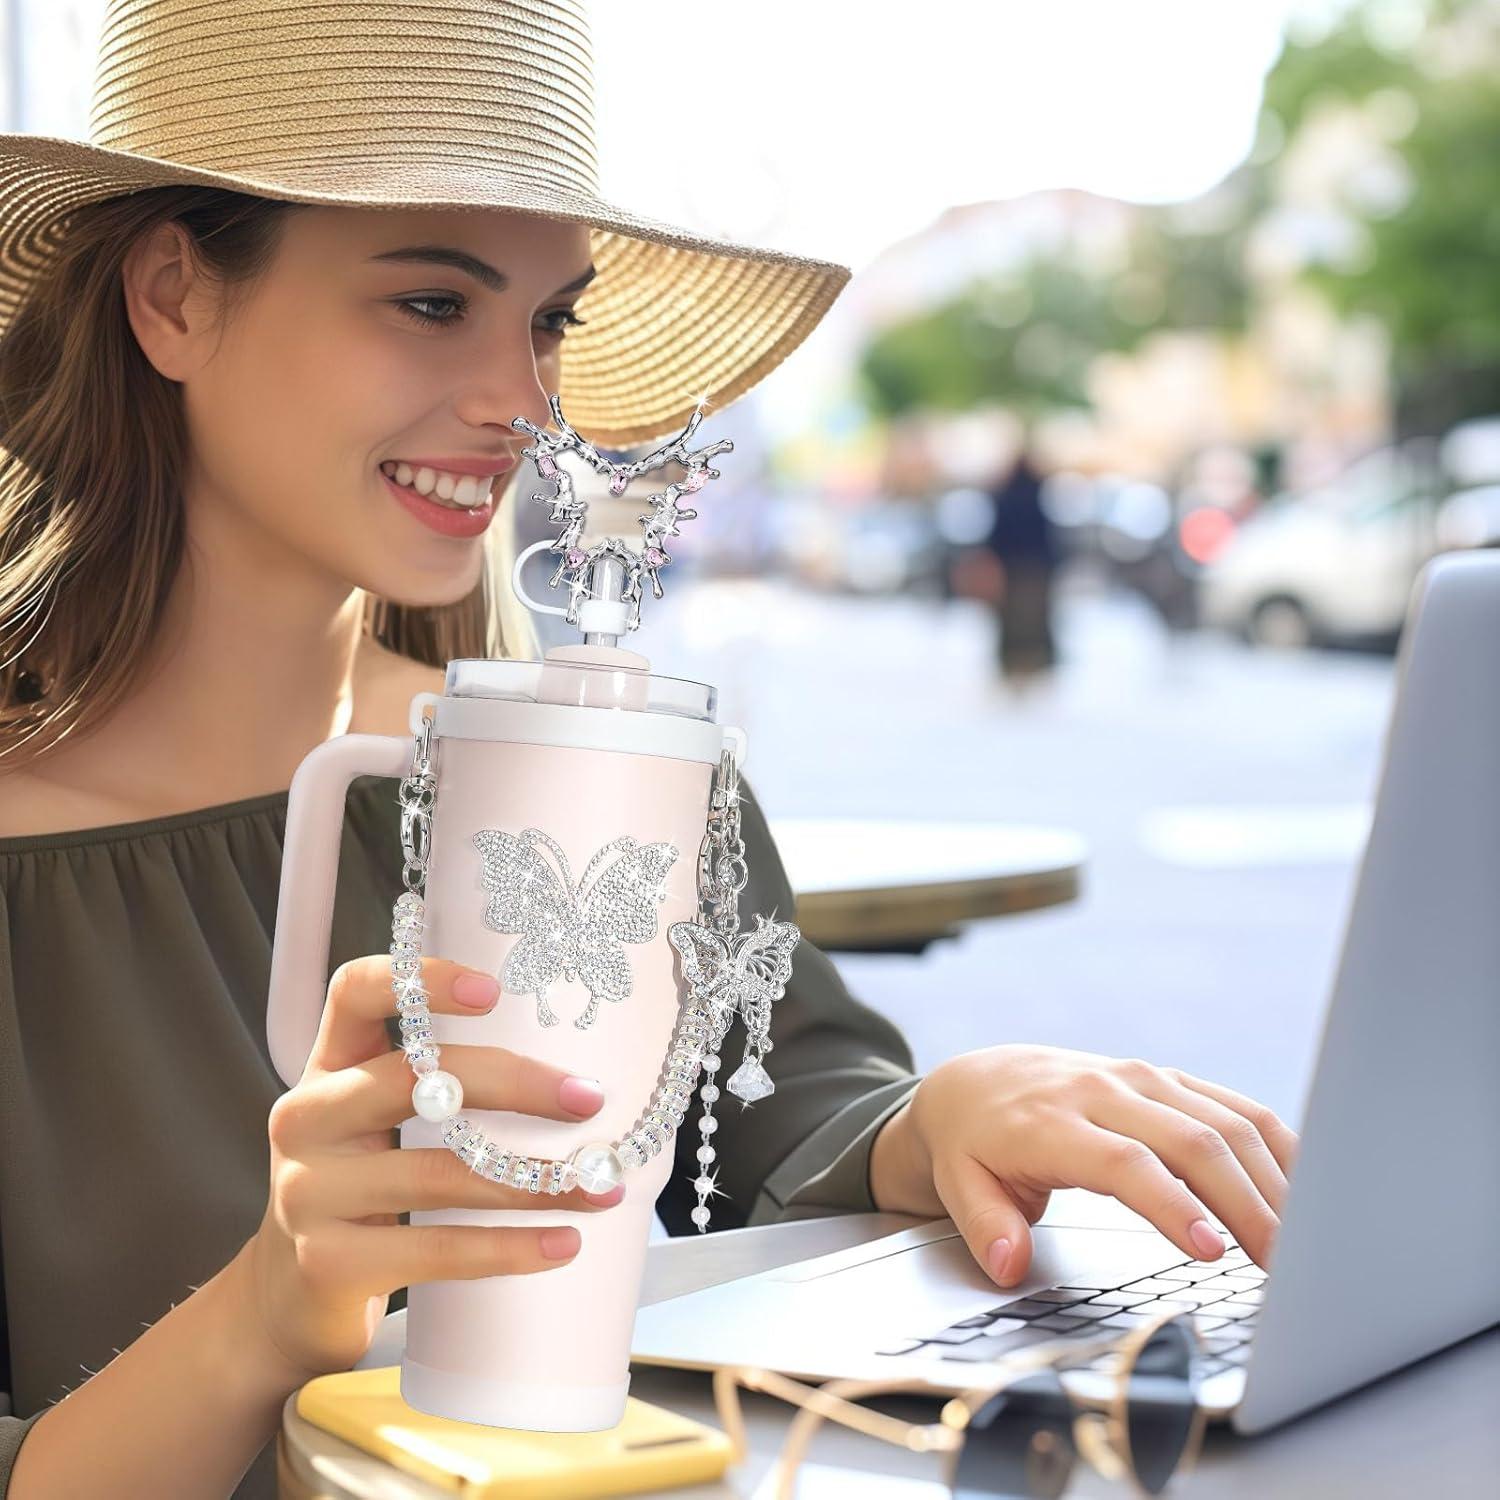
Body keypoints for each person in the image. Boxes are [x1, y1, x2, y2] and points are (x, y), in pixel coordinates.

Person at [0, 3, 1297, 1495]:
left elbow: (788, 1126)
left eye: (549, 322)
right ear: (171, 296)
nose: (524, 405)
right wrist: (260, 1317)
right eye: (434, 302)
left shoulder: (599, 766)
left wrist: (948, 1114)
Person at [982, 441, 1062, 684]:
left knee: (1015, 619)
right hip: (1033, 567)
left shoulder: (1006, 497)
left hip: (1014, 568)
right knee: (1031, 618)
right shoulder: (1038, 497)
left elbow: (997, 534)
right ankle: (1032, 663)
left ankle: (1017, 664)